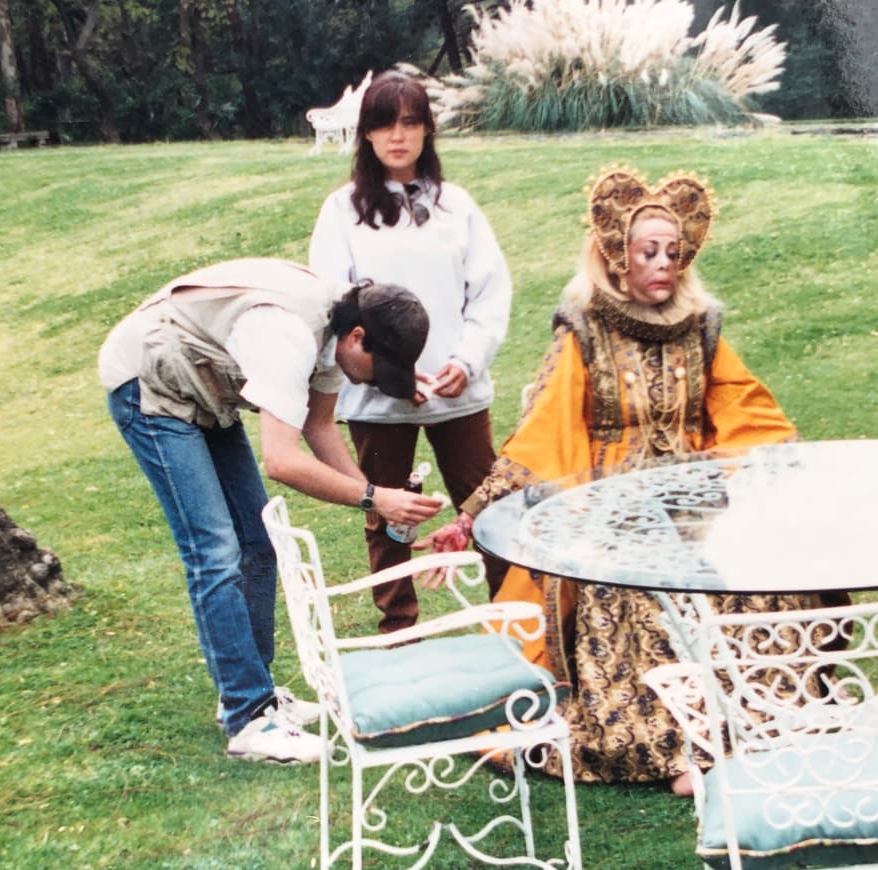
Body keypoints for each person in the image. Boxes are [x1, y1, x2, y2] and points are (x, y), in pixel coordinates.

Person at [417, 168, 824, 796]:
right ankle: (681, 750)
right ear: (616, 257)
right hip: (607, 510)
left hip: (699, 505)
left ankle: (756, 729)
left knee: (757, 584)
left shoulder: (701, 329)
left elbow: (747, 416)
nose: (664, 264)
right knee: (642, 600)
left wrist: (765, 474)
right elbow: (545, 435)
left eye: (674, 252)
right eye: (648, 253)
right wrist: (473, 515)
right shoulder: (584, 331)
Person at [99, 258, 445, 763]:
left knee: (259, 542)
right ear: (356, 337)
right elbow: (282, 460)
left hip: (203, 388)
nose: (374, 382)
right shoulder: (286, 334)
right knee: (215, 551)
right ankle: (248, 718)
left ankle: (251, 692)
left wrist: (378, 503)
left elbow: (320, 429)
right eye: (380, 368)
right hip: (149, 385)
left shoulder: (335, 333)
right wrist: (375, 497)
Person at [309, 69, 510, 634]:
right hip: (377, 401)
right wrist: (387, 377)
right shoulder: (342, 211)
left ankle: (512, 616)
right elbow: (336, 305)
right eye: (383, 124)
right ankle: (400, 629)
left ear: (427, 131)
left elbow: (489, 294)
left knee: (487, 506)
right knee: (386, 514)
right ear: (366, 135)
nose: (397, 136)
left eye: (410, 123)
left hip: (457, 392)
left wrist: (466, 361)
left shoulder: (458, 207)